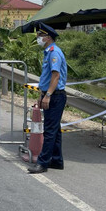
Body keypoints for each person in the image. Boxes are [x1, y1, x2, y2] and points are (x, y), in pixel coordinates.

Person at [27, 23, 67, 174]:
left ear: (48, 37)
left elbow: (56, 76)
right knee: (55, 130)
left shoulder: (54, 52)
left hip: (55, 96)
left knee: (49, 131)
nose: (38, 38)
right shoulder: (48, 52)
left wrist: (48, 95)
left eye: (40, 36)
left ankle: (42, 163)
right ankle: (56, 161)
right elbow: (46, 77)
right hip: (49, 94)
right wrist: (41, 95)